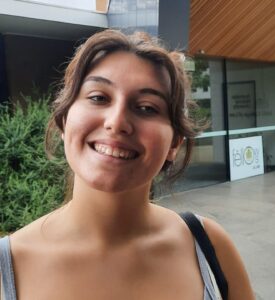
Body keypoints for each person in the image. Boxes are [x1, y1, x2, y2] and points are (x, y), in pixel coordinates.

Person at [0, 30, 254, 300]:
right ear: (64, 121)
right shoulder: (8, 267)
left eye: (147, 107)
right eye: (98, 97)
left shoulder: (207, 244)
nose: (117, 121)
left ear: (174, 143)